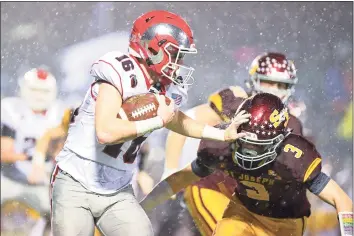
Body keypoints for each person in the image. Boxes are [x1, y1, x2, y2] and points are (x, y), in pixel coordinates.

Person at [50, 10, 250, 236]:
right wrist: (156, 121)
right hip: (76, 181)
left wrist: (222, 135)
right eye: (176, 54)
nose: (180, 63)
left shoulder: (164, 86)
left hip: (117, 189)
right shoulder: (120, 71)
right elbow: (105, 132)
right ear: (153, 48)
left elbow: (177, 121)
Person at [141, 93, 353, 236]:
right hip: (242, 212)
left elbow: (342, 200)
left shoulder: (294, 156)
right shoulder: (222, 145)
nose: (249, 152)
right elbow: (179, 179)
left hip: (286, 222)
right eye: (245, 141)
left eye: (258, 146)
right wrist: (142, 208)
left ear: (279, 141)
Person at [161, 52, 305, 236]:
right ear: (254, 80)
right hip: (211, 189)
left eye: (281, 85)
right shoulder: (236, 101)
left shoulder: (292, 122)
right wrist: (171, 168)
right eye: (268, 82)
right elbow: (182, 124)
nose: (275, 90)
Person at [1, 68, 67, 236]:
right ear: (24, 88)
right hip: (10, 180)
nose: (39, 96)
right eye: (34, 90)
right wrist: (34, 159)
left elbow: (63, 153)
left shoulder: (61, 113)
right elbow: (4, 152)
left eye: (43, 91)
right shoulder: (10, 109)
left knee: (65, 217)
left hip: (44, 184)